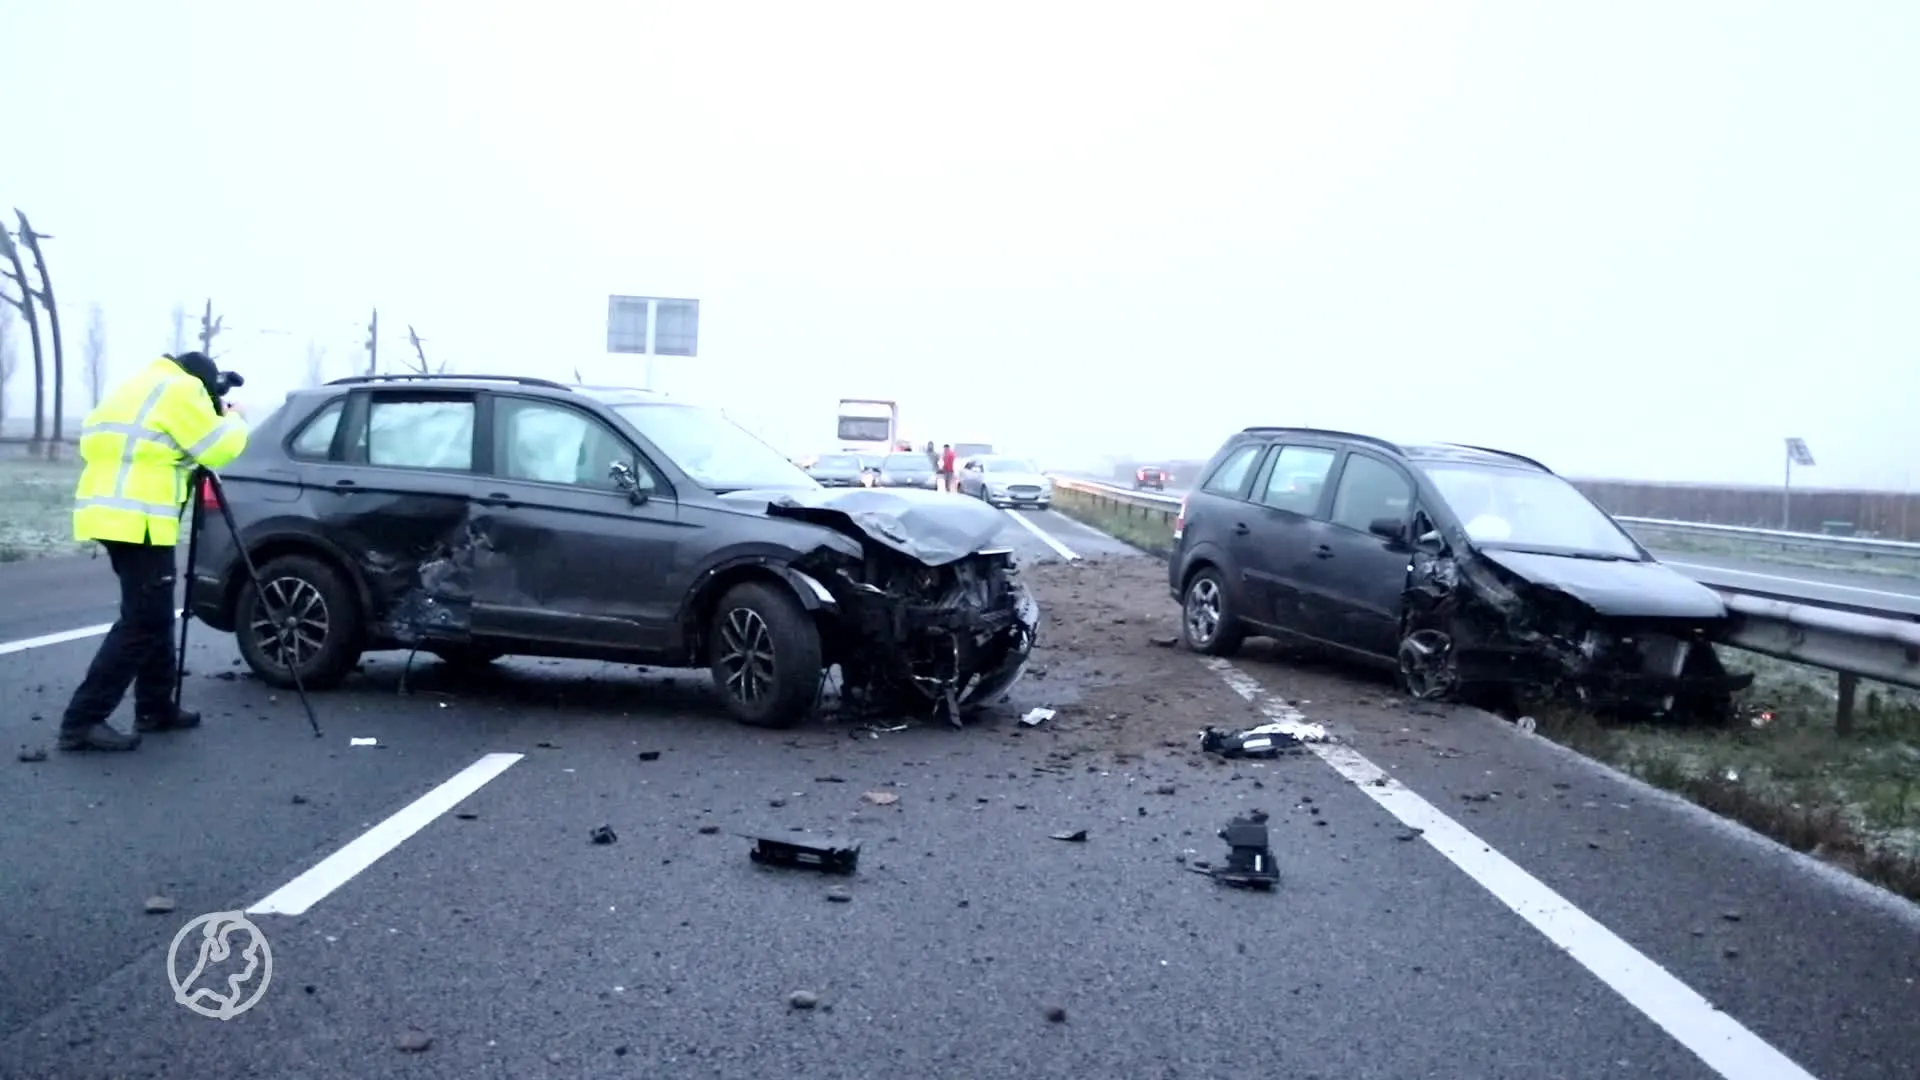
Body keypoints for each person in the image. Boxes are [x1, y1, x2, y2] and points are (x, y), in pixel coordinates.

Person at [57, 351, 250, 752]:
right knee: (143, 620)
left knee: (155, 612)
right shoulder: (183, 390)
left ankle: (155, 706)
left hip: (110, 514)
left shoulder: (139, 384)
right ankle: (83, 720)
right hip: (139, 519)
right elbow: (216, 449)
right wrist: (232, 416)